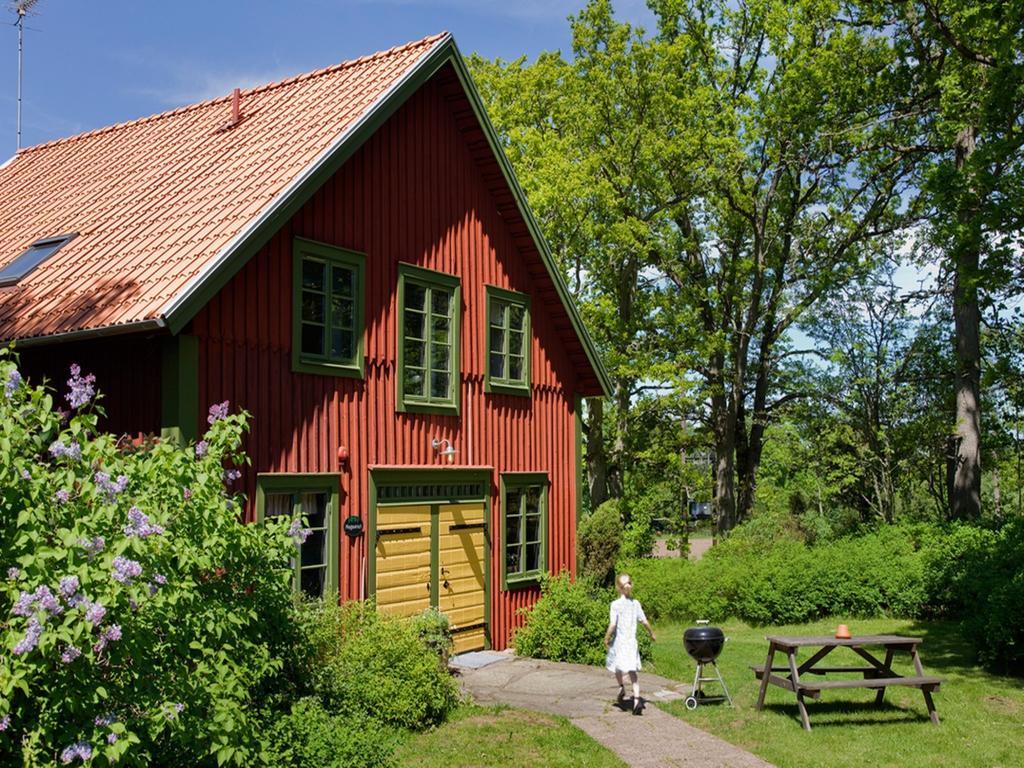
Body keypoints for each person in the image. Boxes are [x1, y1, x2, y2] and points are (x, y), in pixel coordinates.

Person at [604, 572, 656, 714]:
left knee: (617, 667)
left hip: (620, 643)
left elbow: (613, 625)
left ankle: (621, 687)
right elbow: (644, 621)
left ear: (618, 587)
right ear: (629, 585)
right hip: (632, 643)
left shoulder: (615, 605)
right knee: (632, 671)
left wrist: (607, 638)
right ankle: (637, 700)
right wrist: (651, 633)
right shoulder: (636, 604)